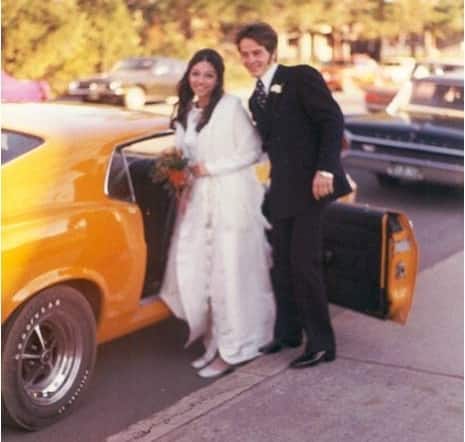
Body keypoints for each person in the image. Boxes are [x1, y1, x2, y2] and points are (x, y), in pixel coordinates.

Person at [235, 22, 352, 369]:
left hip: (315, 186)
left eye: (257, 52)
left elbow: (332, 120)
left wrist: (326, 169)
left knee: (305, 265)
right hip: (283, 190)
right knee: (282, 265)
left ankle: (321, 344)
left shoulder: (300, 76)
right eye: (245, 54)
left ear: (272, 52)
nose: (251, 59)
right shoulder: (255, 98)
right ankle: (288, 333)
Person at [159, 48, 275, 378]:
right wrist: (181, 183)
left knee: (229, 274)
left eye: (209, 75)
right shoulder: (187, 110)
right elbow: (181, 157)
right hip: (198, 200)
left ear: (218, 78)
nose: (201, 81)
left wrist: (211, 168)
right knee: (202, 271)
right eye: (196, 74)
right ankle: (214, 343)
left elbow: (252, 150)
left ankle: (234, 348)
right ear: (188, 76)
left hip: (229, 197)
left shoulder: (231, 107)